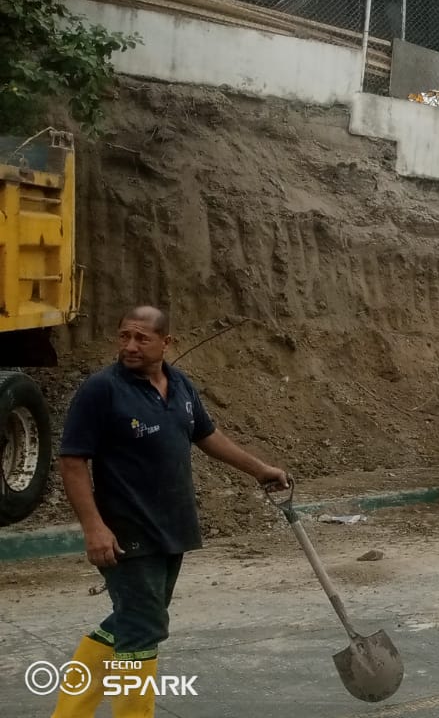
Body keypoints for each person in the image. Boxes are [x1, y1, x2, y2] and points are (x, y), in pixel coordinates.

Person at [49, 306, 290, 718]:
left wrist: (259, 469)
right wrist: (94, 527)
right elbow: (72, 462)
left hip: (171, 526)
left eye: (142, 338)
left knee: (133, 620)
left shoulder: (179, 385)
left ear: (166, 343)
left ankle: (68, 714)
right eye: (124, 336)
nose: (130, 346)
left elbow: (207, 435)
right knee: (142, 630)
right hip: (125, 530)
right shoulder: (102, 390)